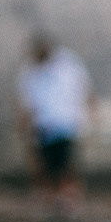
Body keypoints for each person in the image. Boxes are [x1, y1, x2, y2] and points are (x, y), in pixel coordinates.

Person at [18, 34, 90, 207]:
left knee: (65, 166)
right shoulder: (29, 71)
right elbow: (25, 102)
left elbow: (84, 89)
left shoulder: (68, 65)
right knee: (47, 167)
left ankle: (68, 201)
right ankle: (52, 201)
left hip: (66, 124)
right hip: (43, 127)